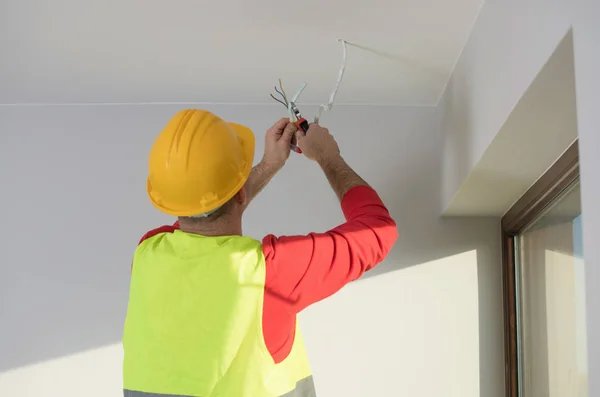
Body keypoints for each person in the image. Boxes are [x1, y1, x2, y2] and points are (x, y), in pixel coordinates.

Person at [123, 109, 398, 397]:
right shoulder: (266, 273)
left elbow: (201, 216)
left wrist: (268, 165)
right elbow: (378, 231)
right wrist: (328, 156)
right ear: (240, 193)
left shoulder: (146, 253)